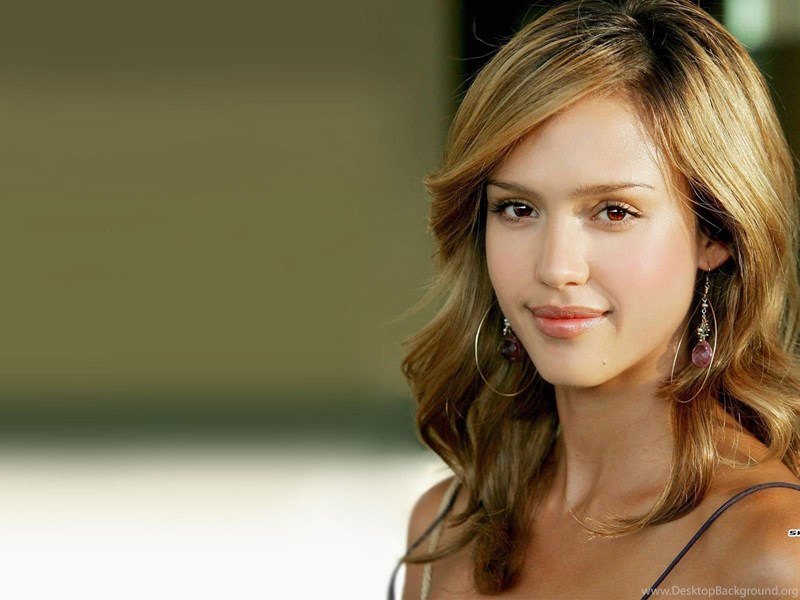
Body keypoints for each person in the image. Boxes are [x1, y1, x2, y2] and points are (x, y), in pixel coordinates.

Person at [388, 0, 800, 598]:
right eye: (518, 208)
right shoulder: (444, 526)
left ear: (716, 234)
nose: (556, 267)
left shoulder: (770, 556)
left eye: (613, 212)